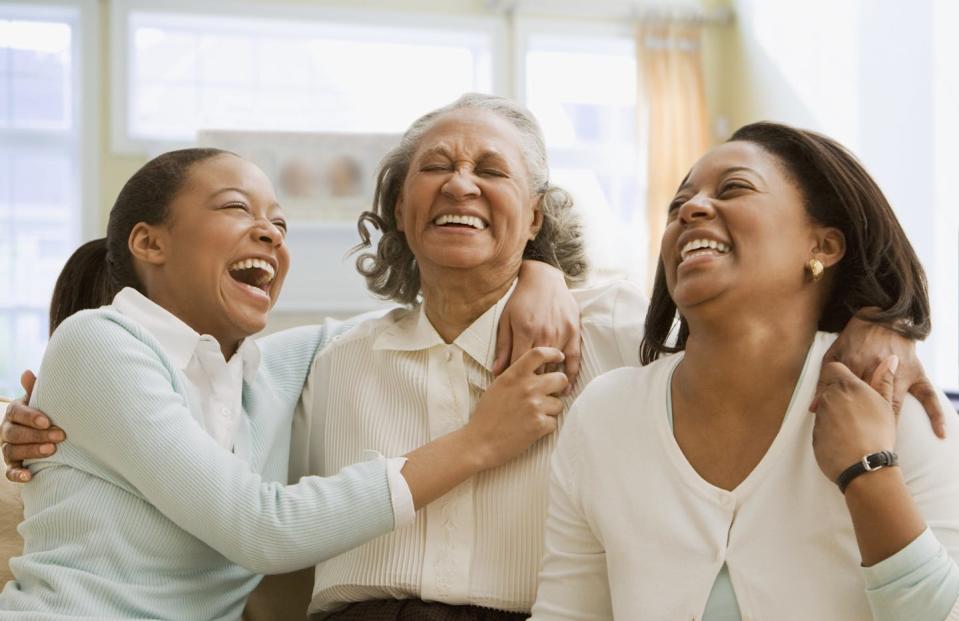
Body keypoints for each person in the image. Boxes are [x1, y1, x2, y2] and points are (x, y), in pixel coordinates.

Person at [2, 101, 944, 620]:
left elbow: (758, 314)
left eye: (493, 171)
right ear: (401, 212)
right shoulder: (322, 356)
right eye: (433, 168)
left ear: (535, 217)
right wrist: (49, 427)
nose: (460, 181)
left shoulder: (614, 333)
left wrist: (883, 325)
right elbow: (183, 406)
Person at [0, 147, 574, 619]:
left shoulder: (267, 368)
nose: (270, 234)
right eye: (236, 208)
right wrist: (478, 442)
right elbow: (260, 529)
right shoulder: (98, 342)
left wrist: (541, 272)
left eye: (279, 222)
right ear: (151, 243)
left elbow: (429, 314)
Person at [529, 122, 959, 620]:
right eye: (677, 205)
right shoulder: (605, 415)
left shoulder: (894, 403)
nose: (690, 209)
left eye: (734, 188)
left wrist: (868, 471)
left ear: (822, 247)